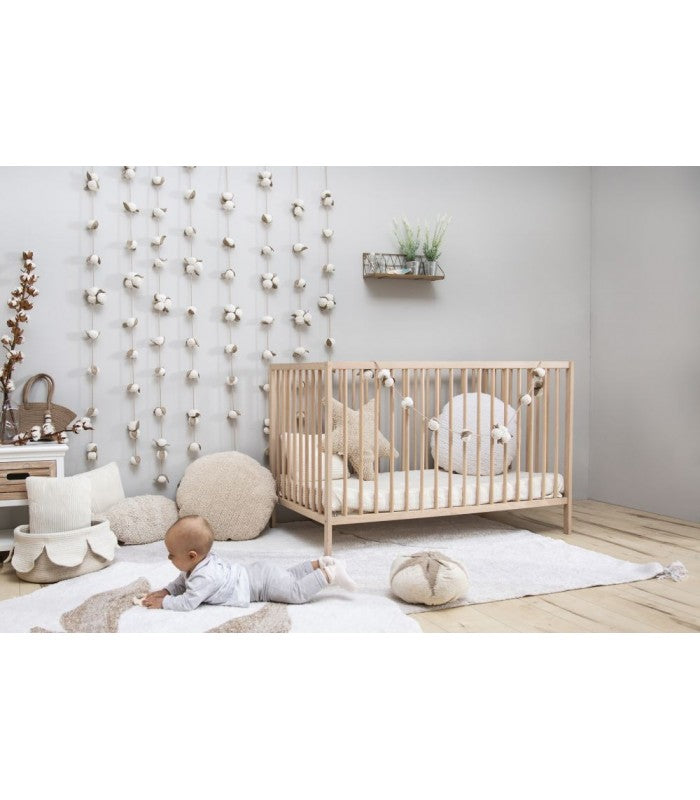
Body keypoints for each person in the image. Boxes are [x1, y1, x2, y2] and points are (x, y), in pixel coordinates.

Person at [141, 515, 357, 611]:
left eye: (171, 554)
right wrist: (166, 591)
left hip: (261, 585)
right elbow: (181, 582)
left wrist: (165, 603)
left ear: (191, 556)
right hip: (259, 574)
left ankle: (329, 574)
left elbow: (188, 602)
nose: (169, 558)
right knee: (290, 577)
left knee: (296, 593)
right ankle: (321, 562)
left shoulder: (205, 577)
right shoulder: (197, 565)